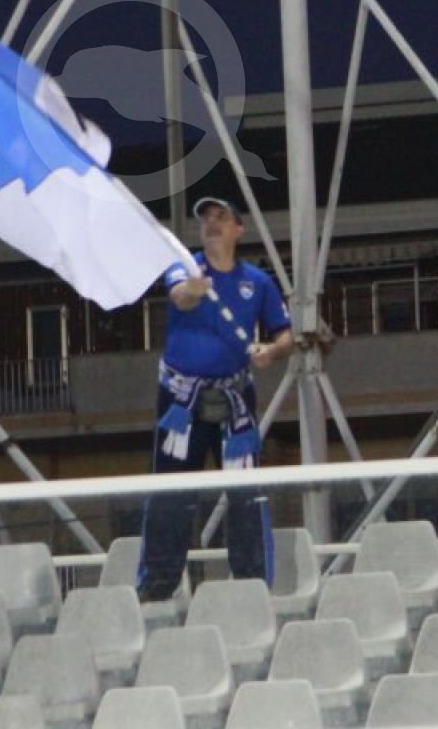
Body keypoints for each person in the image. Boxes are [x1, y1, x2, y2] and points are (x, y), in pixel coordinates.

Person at [137, 196, 296, 601]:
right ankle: (156, 588)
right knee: (171, 493)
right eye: (207, 218)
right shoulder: (185, 266)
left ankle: (252, 585)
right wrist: (193, 289)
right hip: (181, 402)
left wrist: (271, 350)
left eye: (222, 217)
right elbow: (181, 296)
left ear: (238, 229)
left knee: (245, 494)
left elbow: (286, 333)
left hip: (234, 400)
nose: (212, 223)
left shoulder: (257, 282)